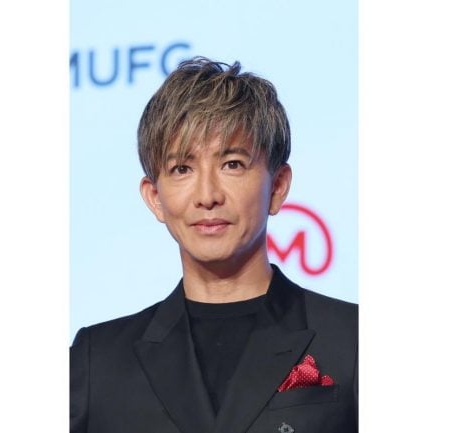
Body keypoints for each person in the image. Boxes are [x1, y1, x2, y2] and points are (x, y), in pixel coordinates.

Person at [70, 57, 357, 433]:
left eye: (232, 164)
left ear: (277, 186)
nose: (207, 196)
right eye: (182, 169)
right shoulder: (97, 361)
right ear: (155, 198)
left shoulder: (353, 340)